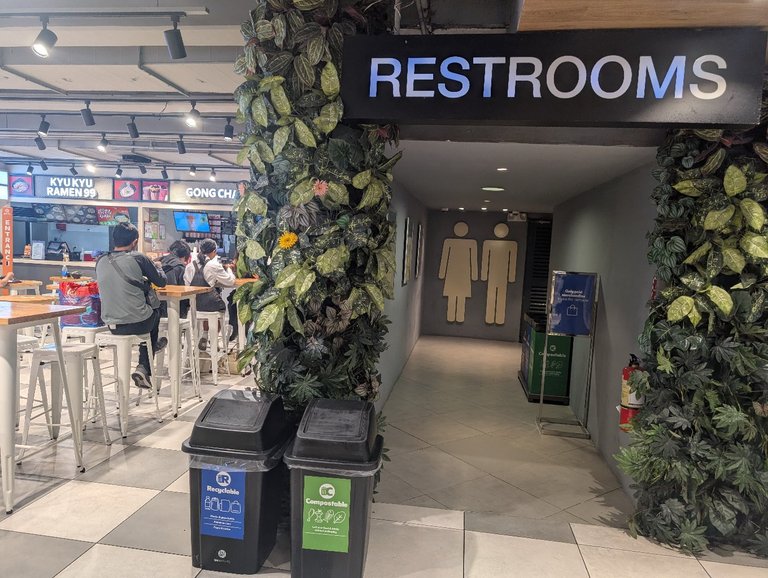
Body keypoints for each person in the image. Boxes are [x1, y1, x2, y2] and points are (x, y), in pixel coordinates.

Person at [96, 222, 167, 389]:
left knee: (146, 316)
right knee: (155, 312)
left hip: (112, 325)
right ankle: (144, 365)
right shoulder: (139, 258)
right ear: (135, 242)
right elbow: (161, 282)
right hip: (139, 323)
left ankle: (151, 349)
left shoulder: (101, 260)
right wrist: (159, 267)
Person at [184, 238, 235, 350]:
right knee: (218, 308)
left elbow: (187, 285)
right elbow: (230, 281)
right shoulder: (214, 265)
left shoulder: (190, 266)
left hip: (194, 306)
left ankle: (205, 335)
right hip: (210, 304)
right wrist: (229, 270)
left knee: (207, 307)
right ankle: (214, 340)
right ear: (214, 251)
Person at [158, 240, 192, 318]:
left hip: (156, 309)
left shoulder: (159, 261)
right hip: (174, 310)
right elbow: (184, 290)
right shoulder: (180, 267)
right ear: (184, 257)